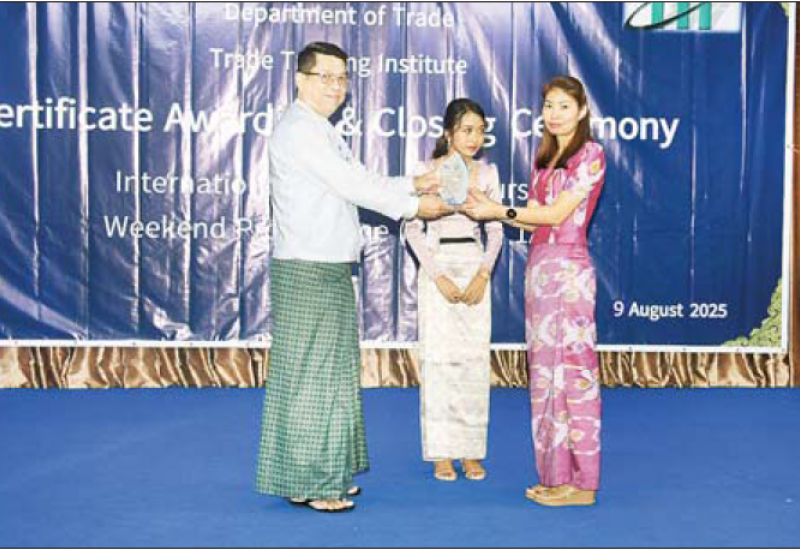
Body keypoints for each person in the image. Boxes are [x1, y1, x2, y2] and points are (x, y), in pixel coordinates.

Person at [255, 41, 453, 513]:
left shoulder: (317, 128)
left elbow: (359, 177)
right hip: (310, 268)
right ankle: (319, 483)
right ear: (300, 79)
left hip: (321, 267)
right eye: (325, 76)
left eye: (342, 78)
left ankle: (305, 476)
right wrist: (415, 206)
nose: (335, 86)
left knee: (318, 376)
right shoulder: (301, 131)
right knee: (316, 378)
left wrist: (414, 184)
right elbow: (353, 185)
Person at [464, 76, 605, 507]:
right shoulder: (544, 159)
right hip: (539, 270)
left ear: (582, 111)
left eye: (564, 106)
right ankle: (557, 476)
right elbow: (530, 218)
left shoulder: (591, 155)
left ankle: (583, 483)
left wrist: (496, 209)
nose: (554, 114)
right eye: (548, 106)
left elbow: (558, 214)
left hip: (569, 272)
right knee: (545, 377)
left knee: (574, 374)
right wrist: (488, 208)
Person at [404, 99, 503, 482]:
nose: (474, 138)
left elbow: (495, 230)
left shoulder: (488, 173)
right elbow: (412, 230)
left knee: (474, 362)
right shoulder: (425, 173)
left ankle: (471, 451)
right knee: (439, 361)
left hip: (475, 265)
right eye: (467, 130)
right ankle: (441, 452)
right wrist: (437, 276)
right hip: (438, 267)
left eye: (480, 131)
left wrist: (482, 275)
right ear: (448, 132)